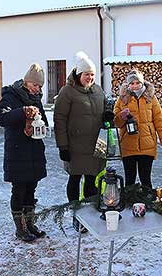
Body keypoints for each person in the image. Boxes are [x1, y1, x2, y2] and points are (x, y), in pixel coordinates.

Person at [54, 51, 109, 232]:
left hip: (96, 144)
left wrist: (108, 117)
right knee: (75, 178)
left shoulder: (98, 90)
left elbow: (104, 112)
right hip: (75, 145)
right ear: (79, 75)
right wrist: (62, 146)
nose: (90, 78)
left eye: (92, 74)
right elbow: (59, 119)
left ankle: (90, 215)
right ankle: (76, 215)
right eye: (87, 74)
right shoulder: (67, 91)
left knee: (93, 180)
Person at [0, 63, 48, 242]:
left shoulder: (36, 98)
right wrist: (22, 112)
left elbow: (45, 122)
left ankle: (30, 224)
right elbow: (0, 117)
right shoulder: (11, 96)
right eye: (35, 85)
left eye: (40, 86)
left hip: (34, 152)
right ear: (26, 82)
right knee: (19, 191)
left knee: (31, 190)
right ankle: (20, 228)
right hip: (17, 153)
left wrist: (41, 125)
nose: (37, 89)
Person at [113, 69, 162, 188]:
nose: (135, 86)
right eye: (132, 83)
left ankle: (147, 203)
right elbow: (116, 122)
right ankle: (129, 203)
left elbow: (159, 121)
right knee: (129, 180)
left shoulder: (151, 98)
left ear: (142, 83)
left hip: (147, 146)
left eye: (137, 83)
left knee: (146, 180)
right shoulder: (122, 99)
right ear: (128, 85)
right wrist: (122, 116)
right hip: (128, 146)